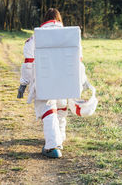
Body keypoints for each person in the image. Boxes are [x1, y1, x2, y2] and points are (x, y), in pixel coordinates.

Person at [17, 8, 81, 158]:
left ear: (44, 20)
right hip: (67, 80)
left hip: (44, 80)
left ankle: (52, 145)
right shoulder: (71, 35)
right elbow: (79, 62)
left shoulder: (35, 38)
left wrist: (23, 83)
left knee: (47, 109)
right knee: (60, 106)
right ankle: (60, 137)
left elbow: (28, 63)